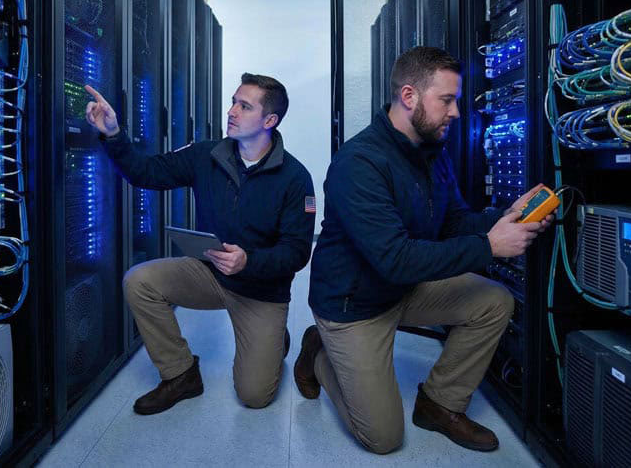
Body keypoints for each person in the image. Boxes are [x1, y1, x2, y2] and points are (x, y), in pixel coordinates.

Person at [294, 46, 552, 454]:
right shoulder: (358, 163)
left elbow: (452, 223)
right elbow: (395, 259)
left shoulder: (432, 153)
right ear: (409, 96)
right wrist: (490, 246)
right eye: (446, 100)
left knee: (493, 302)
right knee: (382, 438)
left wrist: (505, 217)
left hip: (402, 289)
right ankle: (320, 354)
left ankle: (440, 403)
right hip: (353, 305)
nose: (456, 112)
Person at [85, 73, 315, 415]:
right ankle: (180, 374)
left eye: (244, 106)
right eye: (233, 102)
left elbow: (297, 252)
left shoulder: (296, 178)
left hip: (261, 291)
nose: (231, 111)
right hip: (210, 274)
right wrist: (114, 134)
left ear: (269, 121)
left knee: (253, 395)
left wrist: (248, 261)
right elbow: (145, 173)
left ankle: (273, 337)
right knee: (140, 281)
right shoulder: (206, 155)